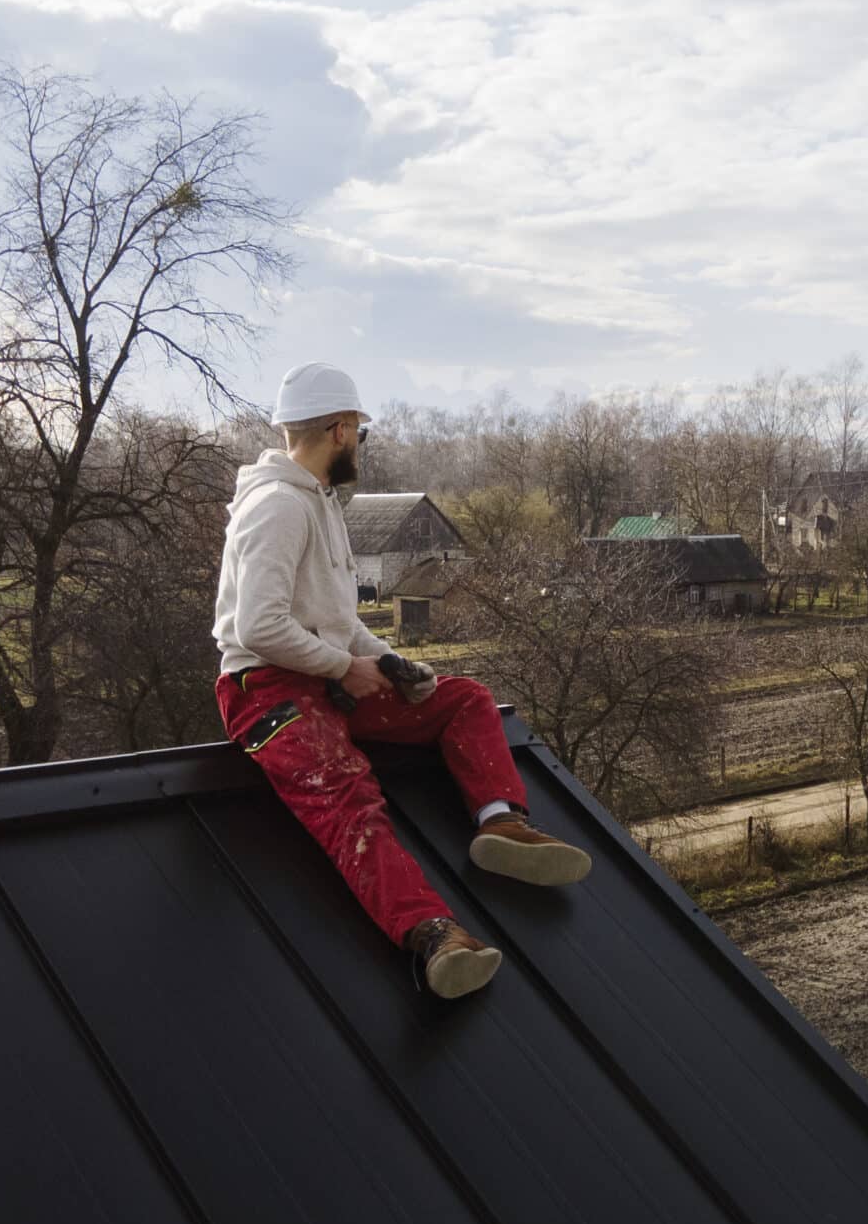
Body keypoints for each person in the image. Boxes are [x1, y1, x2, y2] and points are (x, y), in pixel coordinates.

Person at [213, 362, 590, 999]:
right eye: (358, 433)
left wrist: (391, 664)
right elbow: (259, 628)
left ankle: (499, 822)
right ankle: (434, 936)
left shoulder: (319, 504)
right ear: (339, 429)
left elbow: (336, 624)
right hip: (268, 694)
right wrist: (344, 668)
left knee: (463, 699)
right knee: (349, 799)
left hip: (325, 678)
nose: (359, 446)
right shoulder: (277, 506)